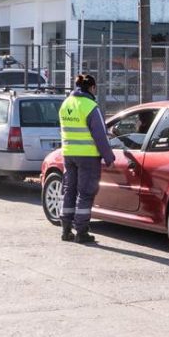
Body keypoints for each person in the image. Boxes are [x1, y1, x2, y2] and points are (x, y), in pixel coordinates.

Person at [57, 73, 114, 243]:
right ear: (92, 88)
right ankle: (81, 232)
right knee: (85, 193)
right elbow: (100, 136)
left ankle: (66, 229)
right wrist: (109, 157)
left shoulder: (66, 103)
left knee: (69, 190)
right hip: (87, 156)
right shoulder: (90, 106)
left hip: (68, 153)